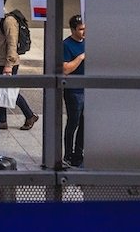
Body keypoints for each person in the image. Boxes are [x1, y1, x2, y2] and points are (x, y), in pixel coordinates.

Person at [0, 0, 39, 130]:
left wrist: (9, 64)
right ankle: (1, 120)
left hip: (7, 62)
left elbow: (12, 44)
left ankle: (29, 115)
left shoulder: (8, 21)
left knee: (9, 91)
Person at [62, 15, 87, 168]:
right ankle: (68, 153)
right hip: (74, 90)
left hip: (87, 88)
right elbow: (65, 69)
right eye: (81, 29)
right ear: (73, 30)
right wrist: (80, 58)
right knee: (73, 122)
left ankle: (79, 153)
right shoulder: (66, 45)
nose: (84, 32)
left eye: (85, 28)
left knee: (85, 123)